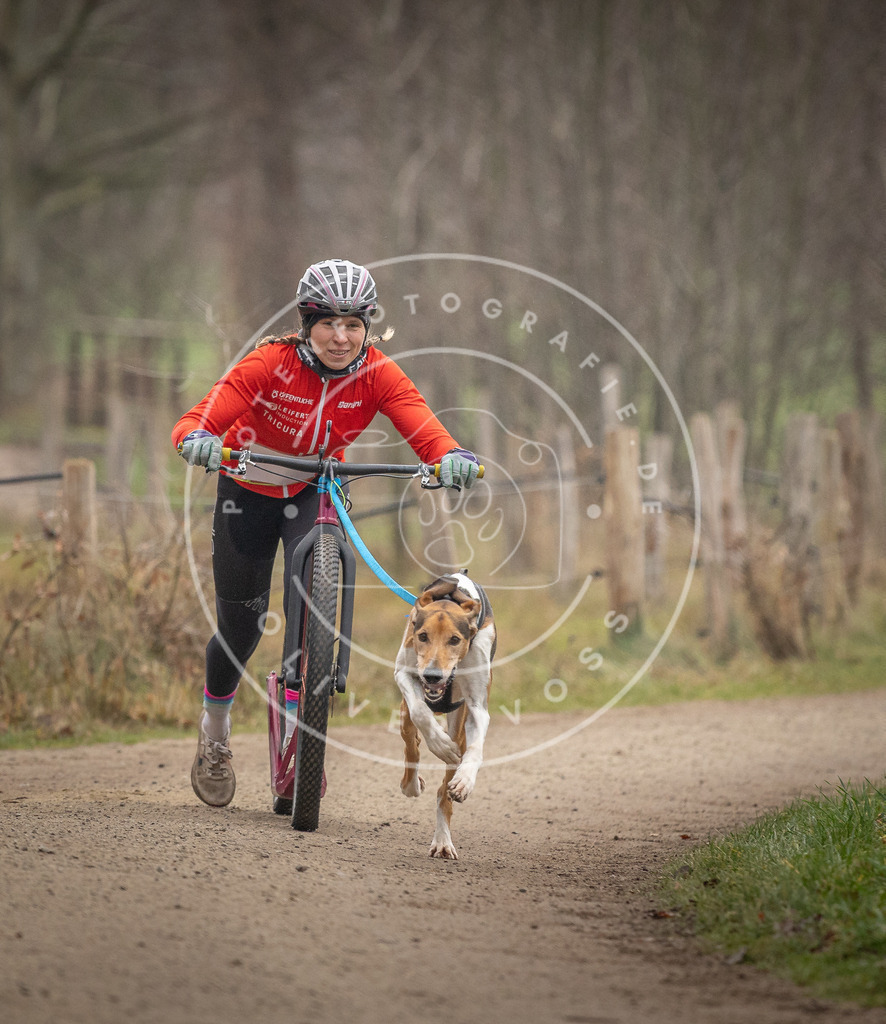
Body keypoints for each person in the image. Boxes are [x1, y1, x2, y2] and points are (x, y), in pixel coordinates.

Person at [172, 258, 480, 807]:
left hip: (315, 490)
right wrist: (196, 439)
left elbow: (425, 428)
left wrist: (452, 456)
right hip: (246, 492)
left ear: (367, 327)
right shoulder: (269, 364)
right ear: (306, 324)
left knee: (312, 613)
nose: (341, 337)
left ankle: (302, 732)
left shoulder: (379, 374)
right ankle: (215, 731)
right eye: (328, 324)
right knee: (240, 630)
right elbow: (197, 419)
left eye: (353, 324)